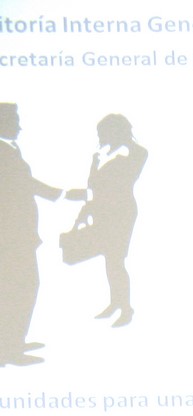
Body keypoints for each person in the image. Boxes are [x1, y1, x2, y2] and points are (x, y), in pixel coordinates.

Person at [65, 113, 147, 327]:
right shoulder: (100, 155)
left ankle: (125, 308)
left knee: (116, 259)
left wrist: (87, 193)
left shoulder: (136, 153)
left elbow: (122, 182)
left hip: (121, 213)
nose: (100, 137)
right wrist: (85, 210)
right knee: (110, 259)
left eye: (102, 133)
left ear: (115, 131)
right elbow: (93, 184)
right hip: (101, 211)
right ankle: (115, 303)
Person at [0, 103, 63, 366]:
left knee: (18, 287)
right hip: (11, 235)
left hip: (16, 233)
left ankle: (13, 342)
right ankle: (9, 350)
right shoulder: (3, 152)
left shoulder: (9, 149)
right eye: (14, 121)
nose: (19, 127)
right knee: (21, 287)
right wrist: (60, 194)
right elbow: (23, 183)